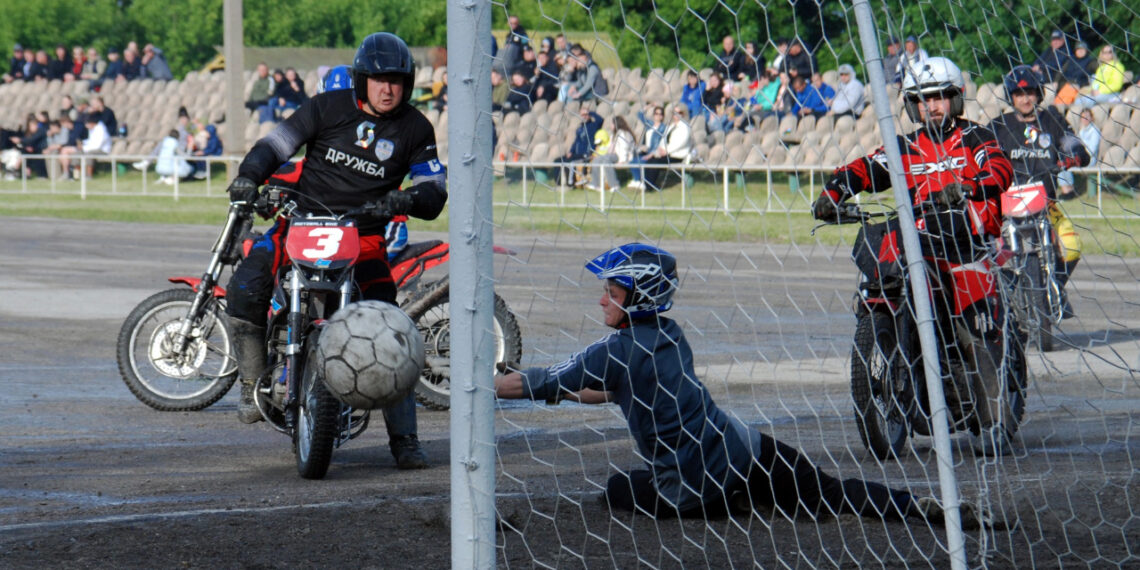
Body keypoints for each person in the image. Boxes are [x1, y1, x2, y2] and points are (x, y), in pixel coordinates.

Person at [494, 243, 985, 527]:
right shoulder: (668, 335)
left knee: (619, 486)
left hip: (690, 490)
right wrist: (561, 390)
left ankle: (732, 505)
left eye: (612, 291)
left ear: (639, 296)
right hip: (745, 450)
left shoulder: (616, 351)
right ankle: (921, 507)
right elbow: (609, 388)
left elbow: (537, 382)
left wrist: (484, 385)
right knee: (833, 492)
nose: (603, 300)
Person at [223, 32, 447, 471]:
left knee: (392, 329)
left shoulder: (416, 127)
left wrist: (406, 200)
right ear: (362, 79)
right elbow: (276, 145)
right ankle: (251, 384)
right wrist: (250, 177)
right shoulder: (325, 107)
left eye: (397, 81)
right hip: (301, 223)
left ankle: (405, 439)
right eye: (380, 80)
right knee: (245, 288)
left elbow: (434, 190)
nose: (388, 89)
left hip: (363, 238)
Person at [814, 57, 1016, 452]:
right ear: (911, 106)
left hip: (966, 244)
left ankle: (994, 419)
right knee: (883, 264)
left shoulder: (975, 137)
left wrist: (967, 187)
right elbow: (866, 168)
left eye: (940, 97)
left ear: (956, 100)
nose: (933, 107)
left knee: (971, 327)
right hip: (921, 242)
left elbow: (1000, 170)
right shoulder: (904, 146)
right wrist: (832, 193)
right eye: (923, 100)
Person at [987, 65, 1089, 314]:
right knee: (989, 253)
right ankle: (1006, 294)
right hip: (1006, 206)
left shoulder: (1052, 119)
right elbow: (981, 150)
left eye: (1030, 92)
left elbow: (1073, 143)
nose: (1025, 98)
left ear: (1039, 94)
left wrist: (1072, 156)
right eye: (1019, 93)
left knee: (1072, 245)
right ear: (1011, 96)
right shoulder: (999, 125)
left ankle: (1054, 287)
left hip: (1045, 204)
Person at [641, 105, 692, 192]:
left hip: (677, 155)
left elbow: (680, 143)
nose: (676, 115)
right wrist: (659, 150)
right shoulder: (671, 126)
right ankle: (647, 185)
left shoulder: (685, 127)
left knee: (655, 162)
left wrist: (666, 151)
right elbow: (663, 140)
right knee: (650, 161)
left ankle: (650, 187)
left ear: (683, 114)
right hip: (667, 153)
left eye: (679, 113)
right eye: (674, 113)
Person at [555, 104, 604, 186]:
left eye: (585, 115)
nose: (584, 117)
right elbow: (576, 141)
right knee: (557, 161)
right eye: (582, 115)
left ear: (589, 115)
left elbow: (601, 120)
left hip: (586, 154)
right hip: (576, 154)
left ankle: (570, 184)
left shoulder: (594, 126)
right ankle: (559, 184)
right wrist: (571, 151)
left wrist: (590, 112)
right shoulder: (580, 128)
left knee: (568, 162)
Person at [589, 115, 636, 191]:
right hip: (613, 155)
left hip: (622, 157)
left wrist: (622, 161)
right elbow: (610, 148)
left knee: (606, 160)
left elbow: (625, 148)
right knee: (597, 159)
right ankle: (595, 184)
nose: (610, 126)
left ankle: (615, 185)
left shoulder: (623, 134)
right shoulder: (613, 134)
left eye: (612, 124)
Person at [628, 104, 666, 189]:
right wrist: (648, 106)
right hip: (646, 150)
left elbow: (661, 143)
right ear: (653, 115)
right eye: (656, 113)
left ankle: (640, 182)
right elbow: (640, 114)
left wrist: (652, 153)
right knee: (632, 162)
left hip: (653, 152)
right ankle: (637, 180)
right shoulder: (650, 124)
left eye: (660, 114)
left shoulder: (663, 128)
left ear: (663, 116)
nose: (658, 116)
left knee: (640, 162)